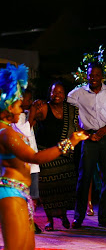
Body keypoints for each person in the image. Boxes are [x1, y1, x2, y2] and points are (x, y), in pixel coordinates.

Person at [0, 63, 88, 250]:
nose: (22, 105)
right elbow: (35, 157)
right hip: (11, 195)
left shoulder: (8, 130)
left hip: (20, 194)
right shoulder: (5, 133)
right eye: (17, 102)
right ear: (6, 104)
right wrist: (70, 142)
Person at [68, 62, 106, 229]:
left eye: (97, 75)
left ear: (102, 76)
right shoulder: (77, 93)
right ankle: (78, 217)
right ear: (87, 75)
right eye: (91, 75)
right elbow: (66, 108)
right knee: (84, 178)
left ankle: (105, 219)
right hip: (89, 138)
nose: (93, 78)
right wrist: (82, 131)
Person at [28, 81, 79, 231]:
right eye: (53, 92)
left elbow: (76, 128)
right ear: (49, 93)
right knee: (47, 191)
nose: (56, 95)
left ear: (65, 95)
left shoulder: (71, 110)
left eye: (60, 92)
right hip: (46, 155)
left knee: (63, 189)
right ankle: (50, 220)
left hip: (64, 156)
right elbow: (29, 124)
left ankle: (63, 215)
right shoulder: (43, 107)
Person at [11, 88, 42, 234]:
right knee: (22, 195)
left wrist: (36, 110)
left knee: (33, 196)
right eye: (27, 99)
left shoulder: (28, 114)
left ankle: (31, 221)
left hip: (33, 164)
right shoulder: (15, 117)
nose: (29, 102)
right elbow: (24, 132)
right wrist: (32, 115)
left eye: (30, 99)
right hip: (22, 164)